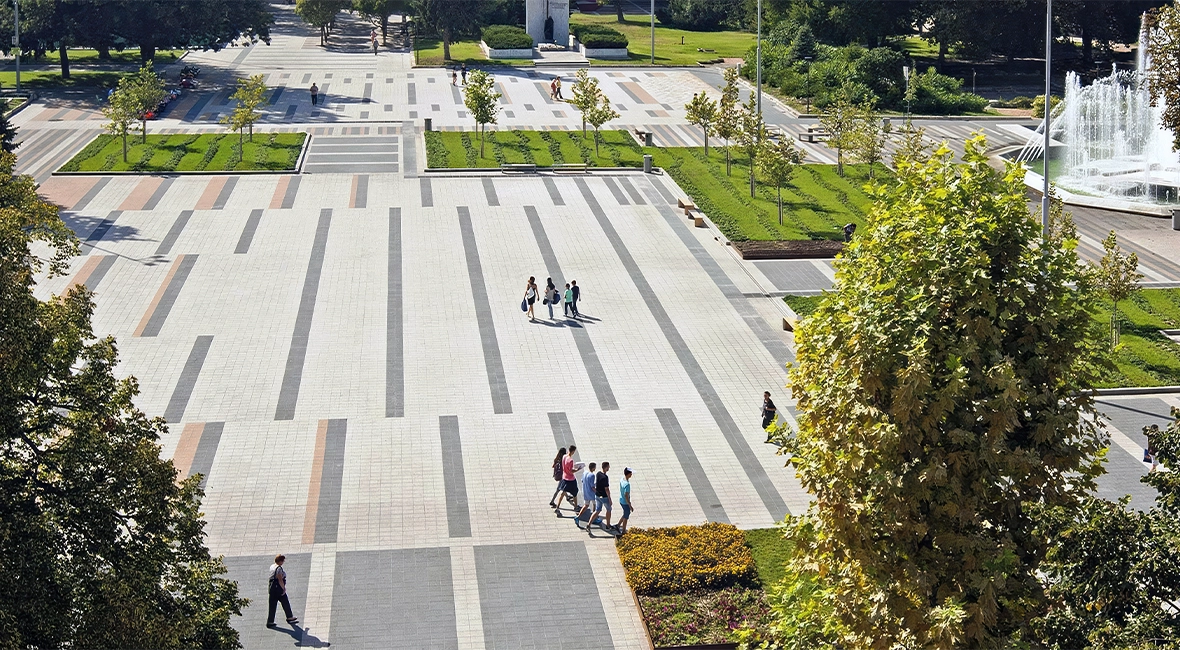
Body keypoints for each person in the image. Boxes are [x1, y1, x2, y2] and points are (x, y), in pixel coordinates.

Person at [267, 555, 298, 628]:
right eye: (283, 561)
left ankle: (270, 621)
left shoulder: (272, 566)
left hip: (272, 588)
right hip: (278, 589)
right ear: (280, 561)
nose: (283, 562)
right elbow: (280, 579)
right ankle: (289, 617)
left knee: (272, 605)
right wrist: (283, 588)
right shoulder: (279, 569)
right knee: (285, 602)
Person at [588, 462, 612, 535]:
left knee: (597, 510)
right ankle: (608, 525)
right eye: (608, 467)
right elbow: (606, 489)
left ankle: (589, 524)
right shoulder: (605, 477)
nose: (609, 468)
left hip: (597, 495)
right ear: (605, 467)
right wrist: (610, 499)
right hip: (604, 496)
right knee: (609, 509)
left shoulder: (598, 474)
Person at [555, 445, 581, 510]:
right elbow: (571, 471)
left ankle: (557, 506)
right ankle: (576, 506)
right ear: (573, 451)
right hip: (571, 479)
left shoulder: (564, 456)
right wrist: (578, 469)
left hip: (564, 477)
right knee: (575, 493)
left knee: (563, 493)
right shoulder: (570, 460)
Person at [576, 462, 597, 526]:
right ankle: (594, 518)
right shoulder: (592, 475)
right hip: (591, 493)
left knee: (586, 505)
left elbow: (582, 480)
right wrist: (597, 491)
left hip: (585, 491)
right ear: (593, 468)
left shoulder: (585, 473)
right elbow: (592, 486)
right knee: (595, 504)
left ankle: (578, 516)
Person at [617, 468, 634, 535]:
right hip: (625, 502)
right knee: (626, 516)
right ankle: (623, 530)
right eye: (631, 473)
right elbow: (626, 495)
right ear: (628, 474)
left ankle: (618, 525)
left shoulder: (622, 479)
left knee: (625, 514)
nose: (631, 475)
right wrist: (630, 505)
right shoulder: (627, 485)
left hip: (621, 500)